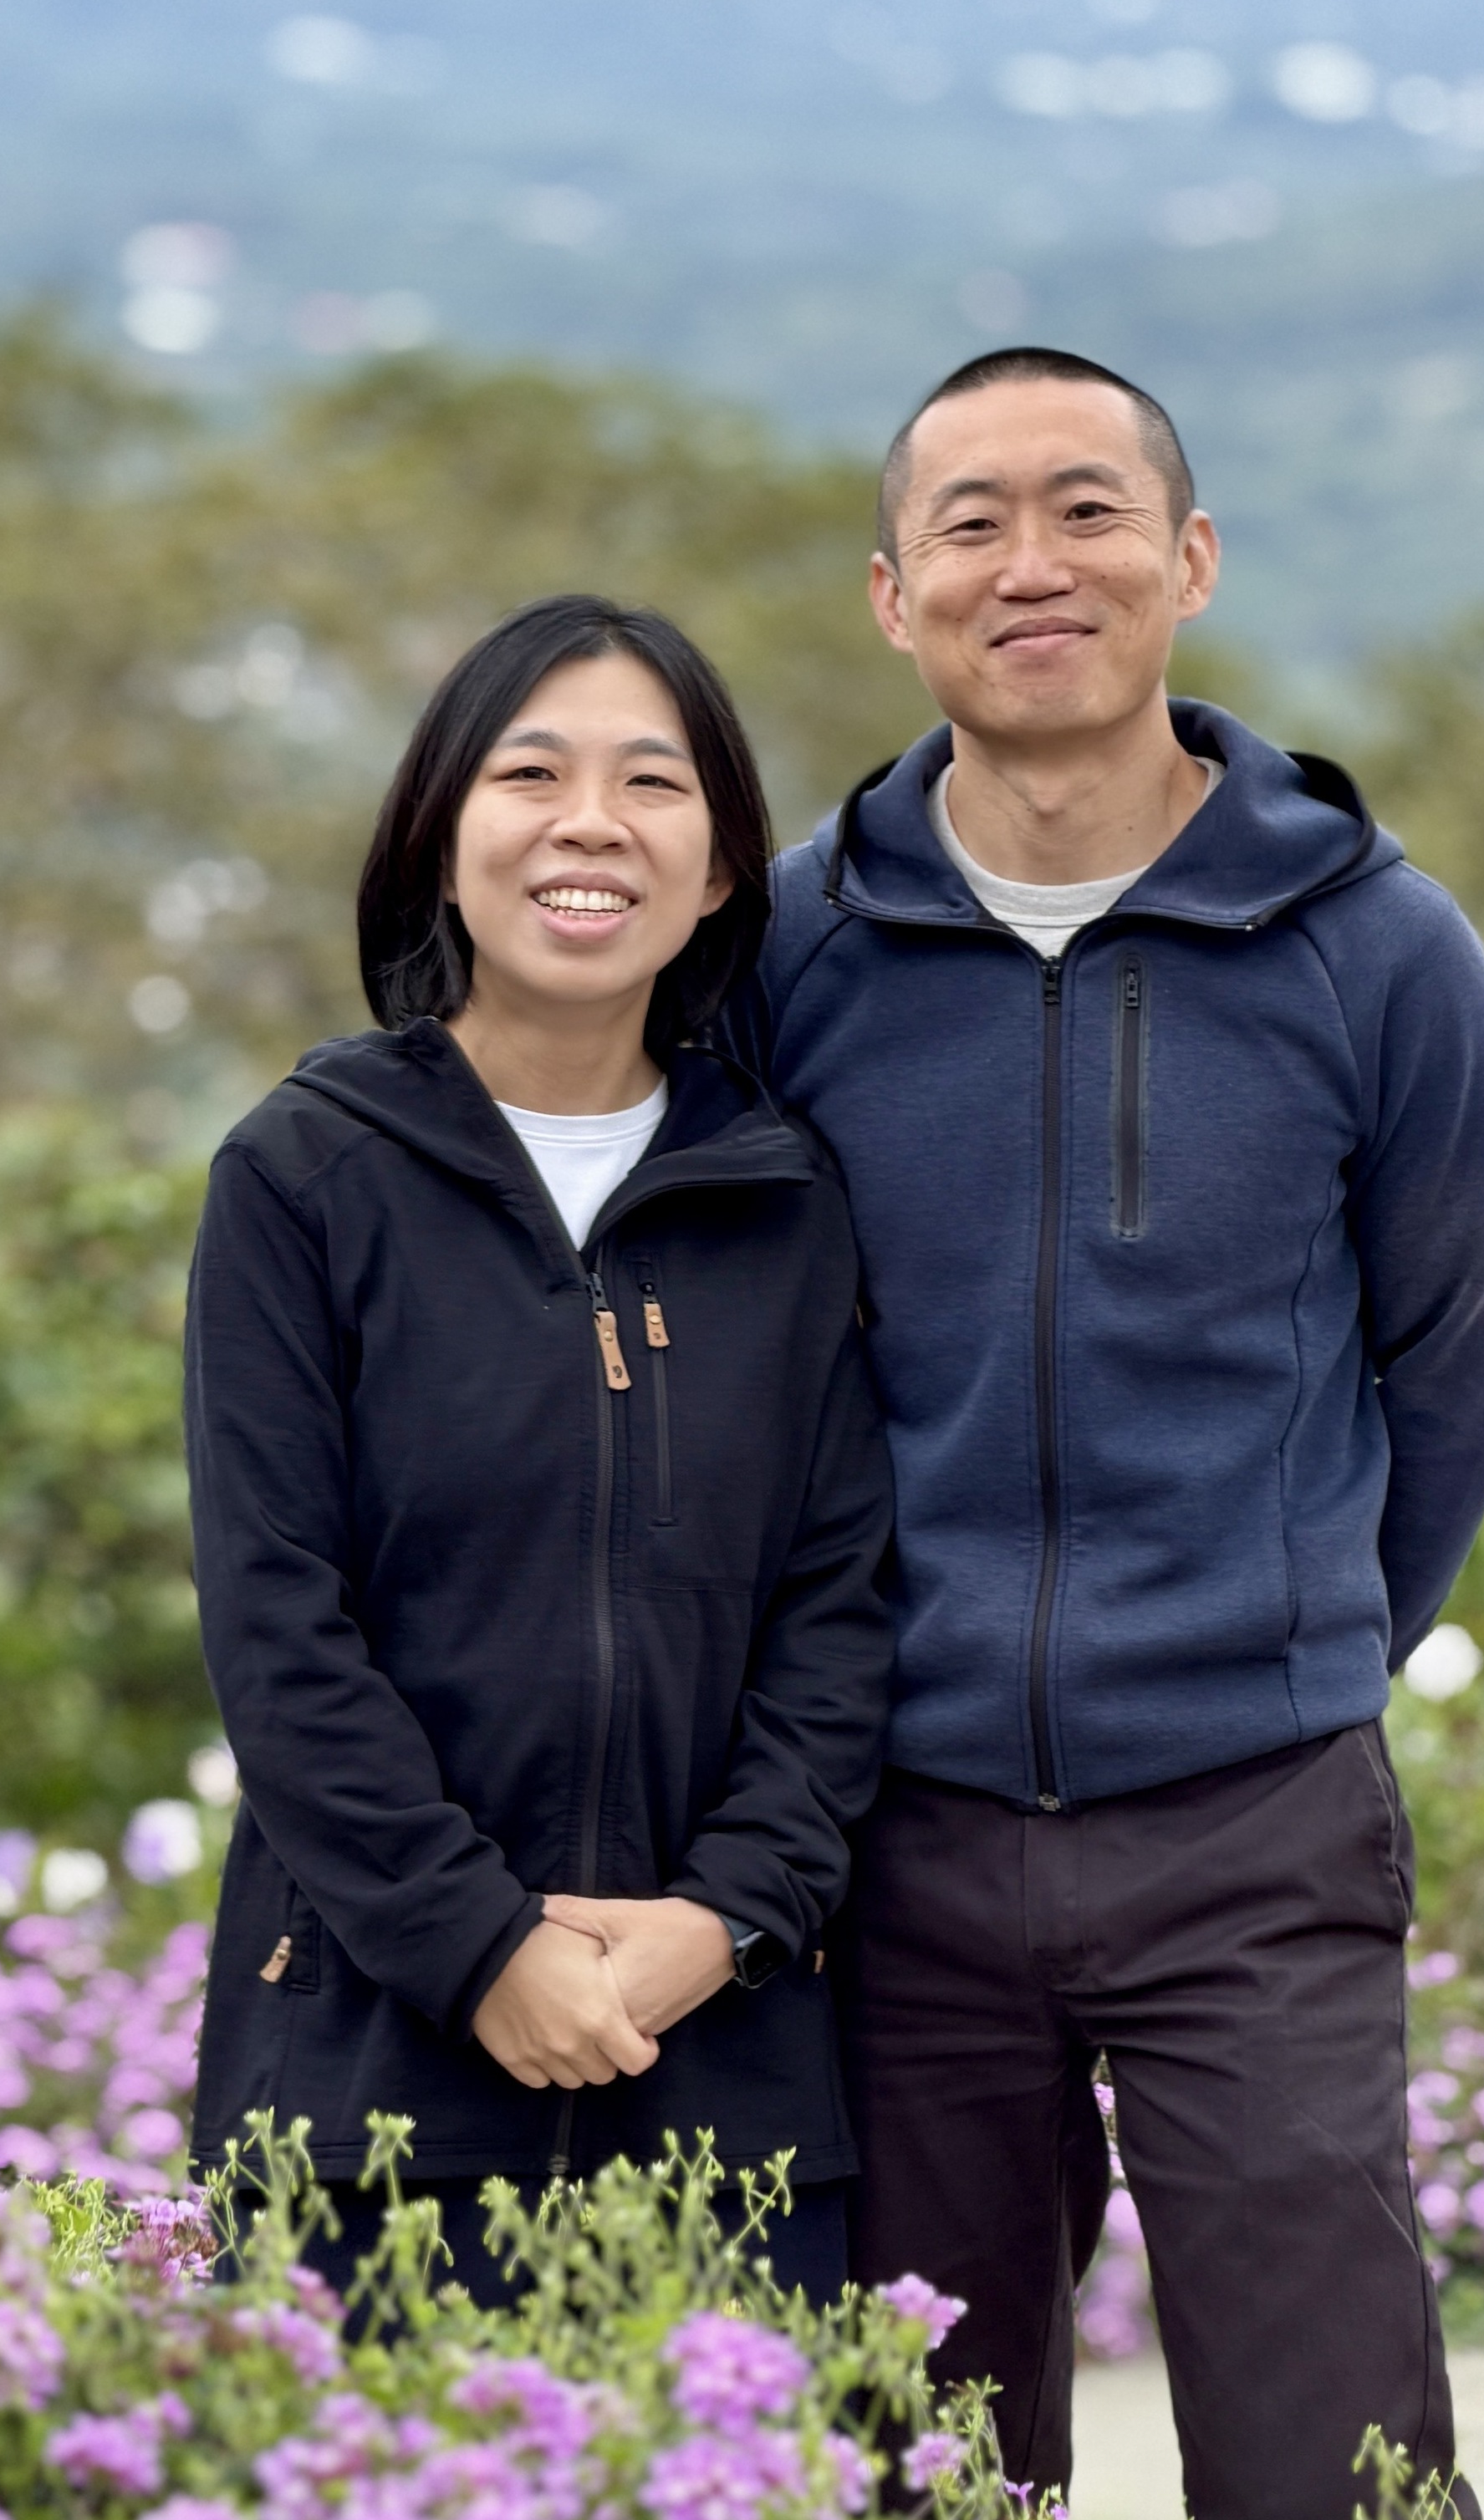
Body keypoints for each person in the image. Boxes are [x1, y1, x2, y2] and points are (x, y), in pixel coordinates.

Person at [738, 348, 1484, 2520]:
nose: (1034, 563)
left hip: (1251, 1819)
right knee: (905, 2508)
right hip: (885, 1829)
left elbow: (1460, 1346)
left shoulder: (1373, 946)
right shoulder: (788, 952)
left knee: (1332, 2502)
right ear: (891, 595)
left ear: (1186, 562)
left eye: (1086, 509)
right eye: (972, 522)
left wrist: (1283, 1633)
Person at [184, 593, 893, 2312]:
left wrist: (721, 1920)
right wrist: (481, 1948)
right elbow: (279, 1632)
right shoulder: (302, 1178)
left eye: (652, 782)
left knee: (735, 2499)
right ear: (438, 840)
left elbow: (838, 1613)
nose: (590, 823)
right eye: (530, 774)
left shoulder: (787, 1201)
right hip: (364, 2085)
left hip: (722, 2084)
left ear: (721, 870)